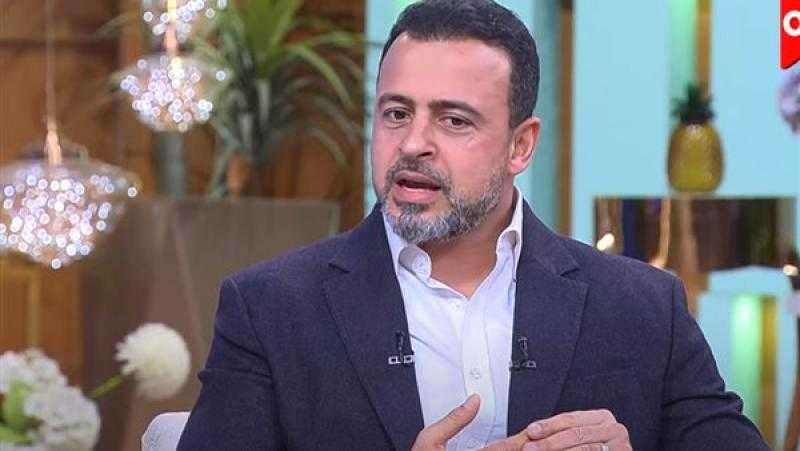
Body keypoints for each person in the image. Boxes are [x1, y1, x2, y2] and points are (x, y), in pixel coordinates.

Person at [178, 1, 769, 449]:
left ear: (521, 145)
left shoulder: (643, 307)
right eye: (396, 113)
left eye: (454, 120)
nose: (413, 143)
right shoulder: (270, 309)